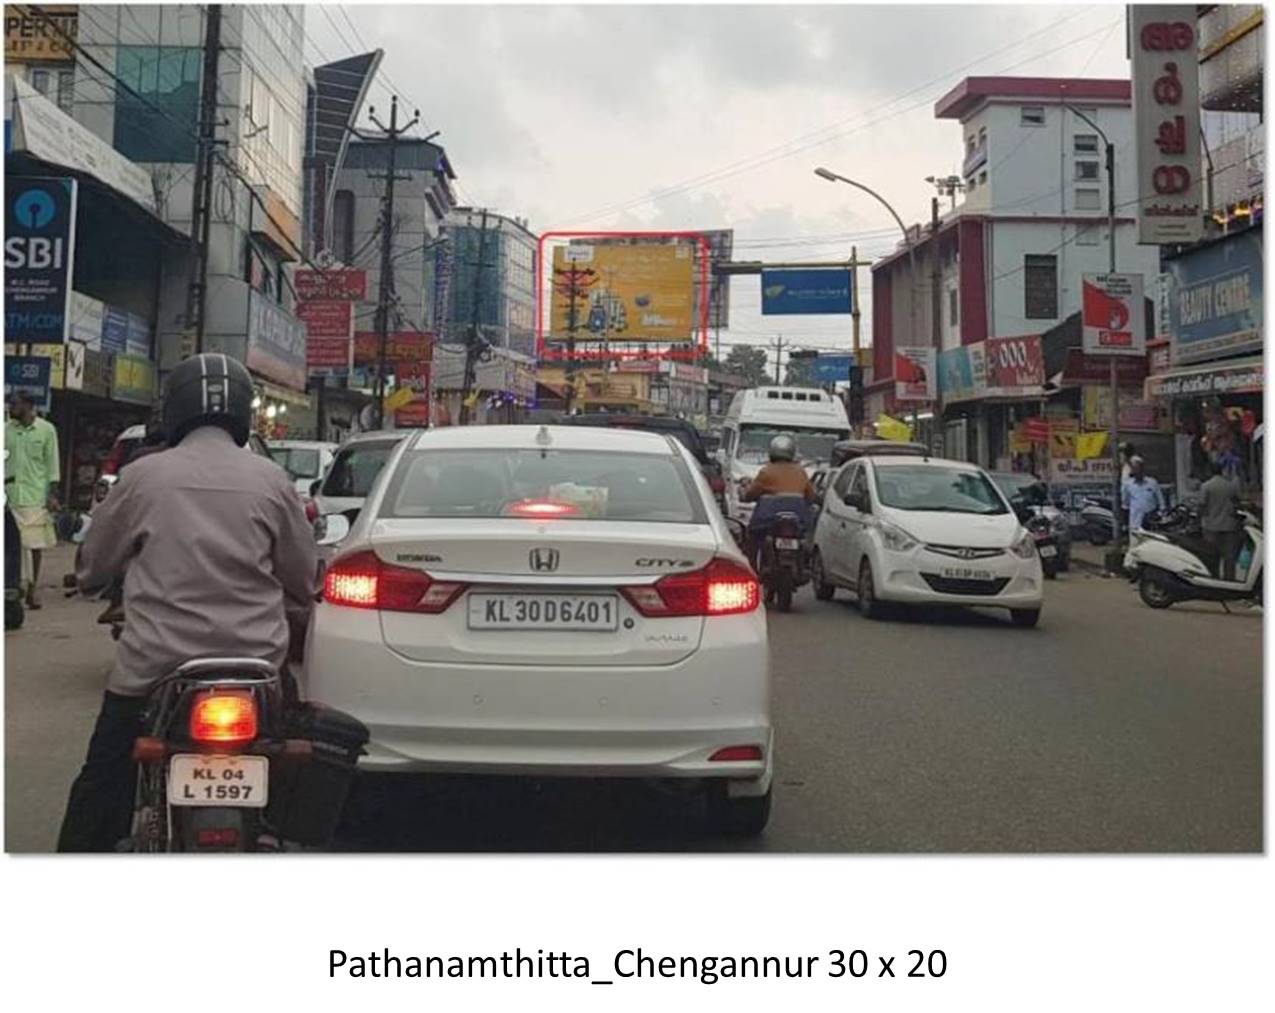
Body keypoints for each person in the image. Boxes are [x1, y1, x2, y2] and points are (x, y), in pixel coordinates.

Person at [57, 354, 320, 852]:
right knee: (291, 772)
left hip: (154, 668)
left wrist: (94, 579)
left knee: (102, 781)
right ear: (243, 413)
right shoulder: (272, 481)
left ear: (174, 409)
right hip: (254, 668)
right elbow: (303, 579)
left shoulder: (142, 476)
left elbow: (94, 568)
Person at [4, 392, 61, 610]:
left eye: (15, 404)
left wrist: (52, 494)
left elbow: (52, 464)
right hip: (8, 496)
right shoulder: (5, 430)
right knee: (9, 546)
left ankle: (32, 589)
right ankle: (11, 586)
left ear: (28, 406)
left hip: (34, 497)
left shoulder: (46, 430)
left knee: (33, 546)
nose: (11, 408)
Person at [741, 435, 815, 570]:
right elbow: (811, 496)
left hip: (768, 516)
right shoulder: (800, 471)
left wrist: (746, 495)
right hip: (798, 515)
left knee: (752, 539)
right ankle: (806, 564)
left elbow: (751, 494)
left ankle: (750, 569)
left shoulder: (766, 471)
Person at [1199, 459, 1242, 581]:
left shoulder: (1206, 486)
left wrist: (1198, 521)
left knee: (1211, 556)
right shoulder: (1230, 486)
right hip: (1229, 526)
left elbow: (1202, 506)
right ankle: (1230, 581)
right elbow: (1237, 503)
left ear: (1209, 471)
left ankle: (1213, 579)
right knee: (1229, 557)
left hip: (1211, 527)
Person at [1121, 455, 1165, 534]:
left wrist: (1159, 515)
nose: (1135, 470)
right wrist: (1125, 524)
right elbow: (1125, 505)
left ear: (1142, 468)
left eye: (1137, 467)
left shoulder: (1152, 482)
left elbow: (1161, 503)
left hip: (1151, 524)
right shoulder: (1128, 485)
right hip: (1135, 524)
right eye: (1133, 468)